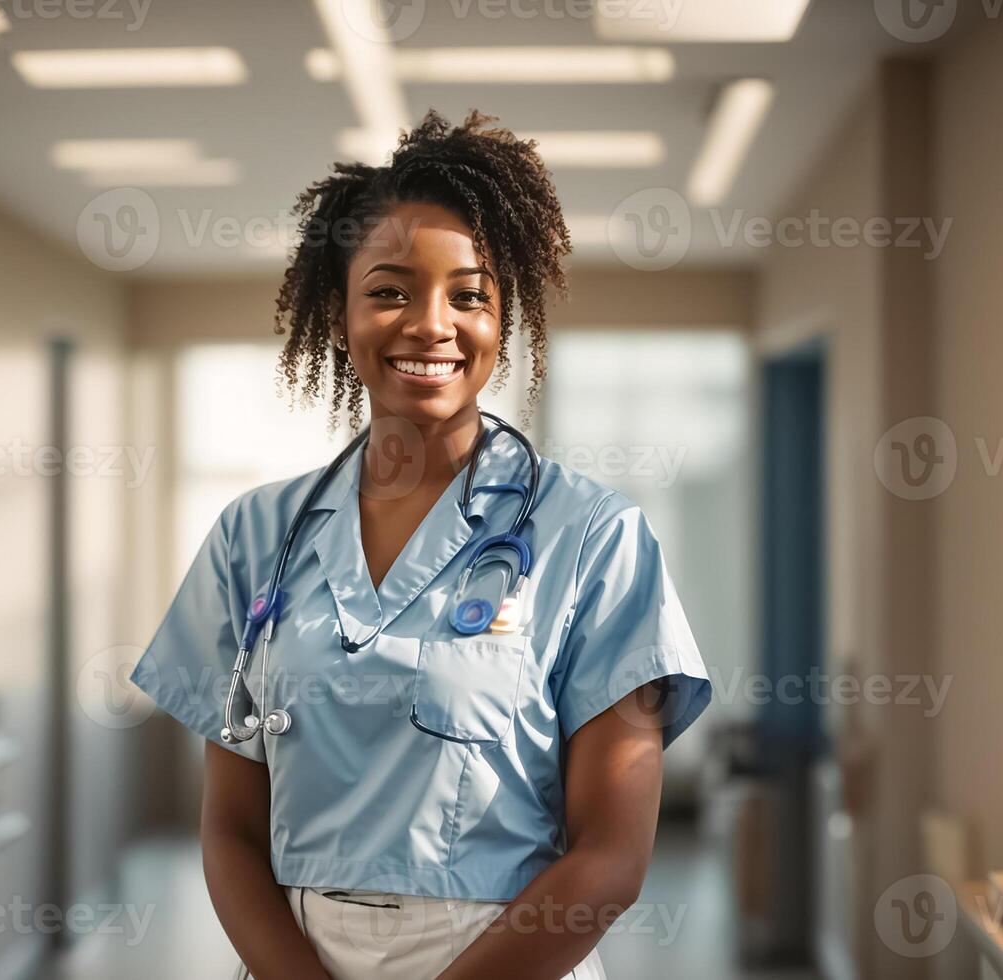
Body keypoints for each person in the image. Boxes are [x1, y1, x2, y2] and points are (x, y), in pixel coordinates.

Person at [129, 109, 712, 980]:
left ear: (502, 319)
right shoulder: (254, 535)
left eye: (469, 295)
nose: (431, 324)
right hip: (296, 957)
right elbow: (232, 830)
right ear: (338, 314)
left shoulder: (593, 537)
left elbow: (611, 858)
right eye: (390, 290)